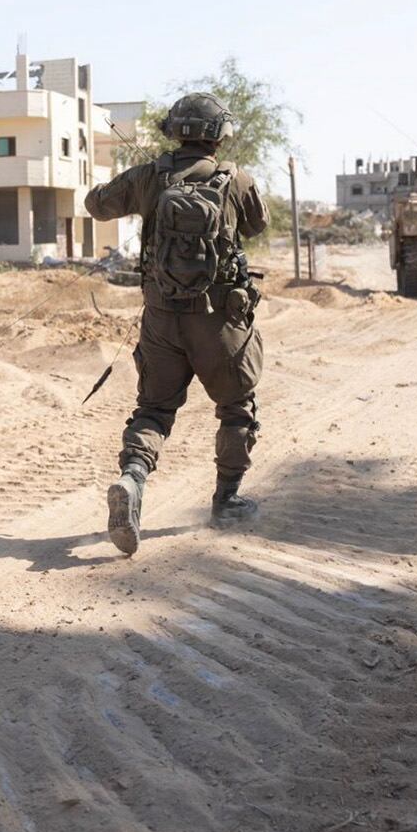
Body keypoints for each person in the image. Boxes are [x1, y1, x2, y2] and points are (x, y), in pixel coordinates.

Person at [84, 91, 268, 555]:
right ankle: (227, 501)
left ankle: (132, 480)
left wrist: (138, 183)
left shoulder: (149, 176)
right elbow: (257, 226)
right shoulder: (236, 179)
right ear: (220, 136)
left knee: (153, 411)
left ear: (172, 131)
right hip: (219, 322)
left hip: (162, 320)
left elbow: (96, 206)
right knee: (236, 407)